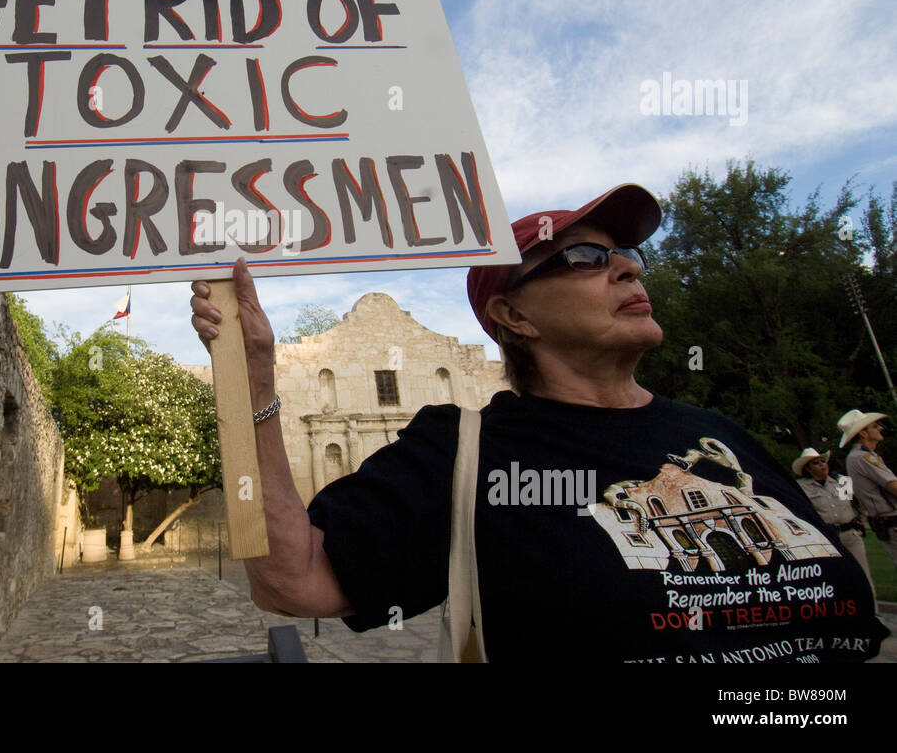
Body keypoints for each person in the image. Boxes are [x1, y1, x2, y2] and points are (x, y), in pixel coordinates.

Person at [189, 183, 887, 662]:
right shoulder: (465, 450)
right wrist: (253, 381)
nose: (624, 268)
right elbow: (293, 577)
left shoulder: (721, 437)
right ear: (514, 315)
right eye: (584, 256)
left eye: (629, 254)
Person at [793, 447, 873, 596]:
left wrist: (863, 514)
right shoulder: (802, 488)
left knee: (863, 575)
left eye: (823, 461)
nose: (822, 464)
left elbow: (855, 502)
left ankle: (874, 613)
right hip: (827, 537)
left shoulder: (841, 482)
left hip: (851, 534)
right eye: (816, 463)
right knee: (835, 577)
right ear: (808, 469)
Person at [841, 409, 897, 571]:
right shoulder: (862, 457)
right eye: (875, 426)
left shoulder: (860, 456)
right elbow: (892, 486)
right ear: (863, 433)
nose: (880, 428)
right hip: (891, 519)